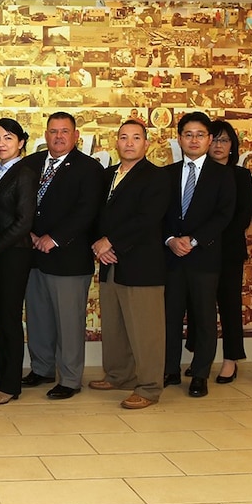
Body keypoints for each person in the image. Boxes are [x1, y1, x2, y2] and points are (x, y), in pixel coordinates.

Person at [89, 120, 170, 409]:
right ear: (117, 142)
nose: (129, 143)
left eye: (136, 137)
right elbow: (95, 214)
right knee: (115, 325)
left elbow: (147, 219)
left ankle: (148, 387)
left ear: (146, 144)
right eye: (124, 137)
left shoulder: (156, 177)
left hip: (142, 264)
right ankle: (119, 374)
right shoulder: (108, 174)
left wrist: (111, 241)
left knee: (146, 330)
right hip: (110, 262)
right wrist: (99, 243)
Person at [22, 111, 104, 400]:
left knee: (69, 322)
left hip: (68, 258)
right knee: (38, 316)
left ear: (75, 136)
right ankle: (42, 368)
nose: (58, 136)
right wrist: (29, 233)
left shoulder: (88, 168)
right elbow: (20, 204)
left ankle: (69, 378)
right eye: (53, 131)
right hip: (33, 255)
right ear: (45, 135)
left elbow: (87, 210)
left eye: (64, 131)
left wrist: (54, 238)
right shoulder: (30, 164)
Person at [162, 111, 235, 398]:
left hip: (204, 257)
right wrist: (169, 240)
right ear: (179, 139)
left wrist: (192, 240)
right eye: (188, 134)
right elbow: (158, 216)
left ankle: (200, 373)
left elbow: (223, 215)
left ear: (209, 140)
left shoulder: (223, 174)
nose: (194, 140)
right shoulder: (166, 174)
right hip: (171, 257)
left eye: (200, 135)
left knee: (204, 318)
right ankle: (169, 368)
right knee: (169, 315)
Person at [186, 120, 252, 384]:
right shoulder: (194, 173)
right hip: (197, 251)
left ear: (232, 146)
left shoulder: (240, 176)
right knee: (197, 308)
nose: (218, 145)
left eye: (224, 140)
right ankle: (199, 358)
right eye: (214, 139)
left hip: (227, 252)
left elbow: (241, 216)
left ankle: (230, 359)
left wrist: (209, 237)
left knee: (229, 306)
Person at [0, 118, 35, 405]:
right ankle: (2, 379)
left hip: (13, 255)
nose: (1, 144)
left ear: (21, 142)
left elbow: (24, 222)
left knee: (10, 319)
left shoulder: (24, 173)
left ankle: (11, 384)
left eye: (8, 138)